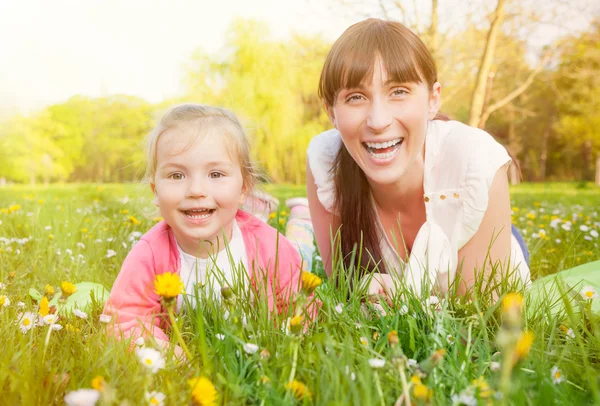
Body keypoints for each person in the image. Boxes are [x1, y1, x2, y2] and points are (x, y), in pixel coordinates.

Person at [305, 18, 531, 298]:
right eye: (355, 97)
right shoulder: (326, 161)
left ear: (433, 100)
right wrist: (361, 289)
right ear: (331, 112)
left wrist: (395, 296)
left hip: (475, 230)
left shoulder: (475, 160)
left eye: (398, 92)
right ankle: (299, 221)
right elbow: (343, 289)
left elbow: (479, 320)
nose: (378, 121)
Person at [103, 104, 306, 354]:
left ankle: (301, 219)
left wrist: (277, 345)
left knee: (300, 250)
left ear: (244, 187)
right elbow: (125, 319)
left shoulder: (271, 248)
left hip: (280, 246)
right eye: (177, 176)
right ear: (155, 191)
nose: (196, 190)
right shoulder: (150, 253)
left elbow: (302, 307)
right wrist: (165, 352)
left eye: (216, 174)